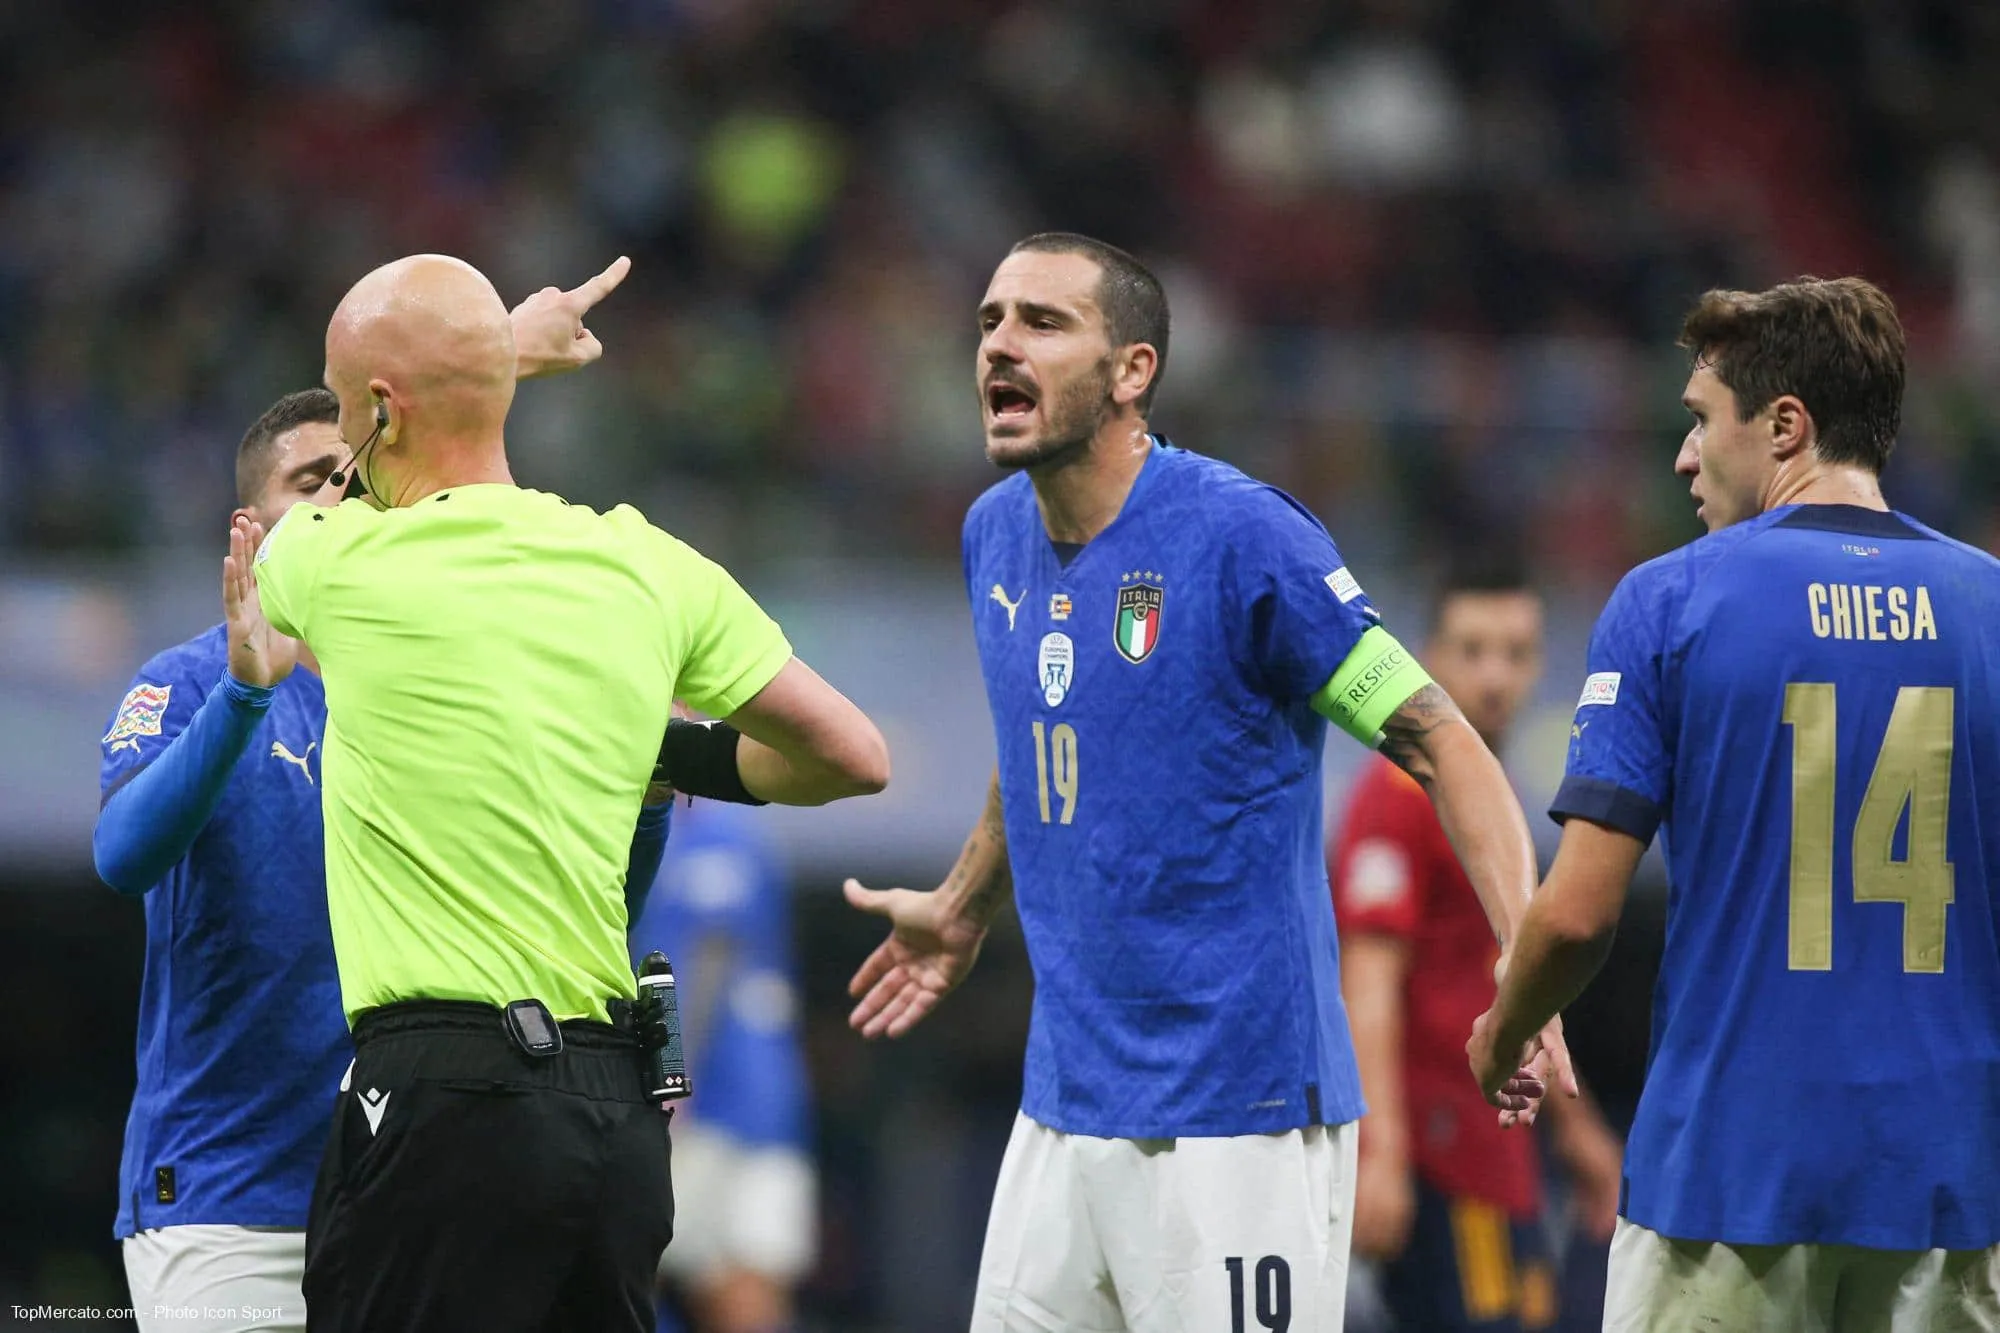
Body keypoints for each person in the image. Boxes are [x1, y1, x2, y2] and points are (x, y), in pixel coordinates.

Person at [841, 232, 1570, 1333]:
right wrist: (961, 903)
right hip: (1064, 1104)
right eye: (989, 318)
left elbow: (1442, 741)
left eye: (1042, 321)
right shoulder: (993, 534)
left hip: (1241, 1114)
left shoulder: (1243, 538)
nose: (998, 342)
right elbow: (1045, 726)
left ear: (1132, 371)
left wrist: (1525, 951)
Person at [239, 252, 888, 1333]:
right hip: (613, 1120)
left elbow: (314, 498)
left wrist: (506, 356)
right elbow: (850, 754)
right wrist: (661, 754)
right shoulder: (647, 565)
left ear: (377, 414)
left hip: (442, 1102)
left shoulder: (333, 559)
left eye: (348, 402)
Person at [94, 262, 649, 1333]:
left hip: (423, 1183)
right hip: (233, 1197)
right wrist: (248, 701)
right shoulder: (192, 679)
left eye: (352, 478)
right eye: (308, 485)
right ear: (248, 530)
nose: (338, 499)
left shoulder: (444, 686)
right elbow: (122, 855)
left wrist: (650, 791)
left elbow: (598, 911)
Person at [1467, 277, 2000, 1331]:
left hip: (1727, 1171)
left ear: (1784, 426)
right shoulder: (1989, 607)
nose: (1681, 457)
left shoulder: (1670, 599)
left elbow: (1577, 914)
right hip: (1947, 1180)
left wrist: (1503, 1028)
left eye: (1700, 421)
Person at [1331, 557, 1624, 1333]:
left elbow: (1517, 990)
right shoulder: (1393, 800)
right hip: (1440, 1160)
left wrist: (1575, 1125)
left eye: (1516, 652)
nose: (1495, 675)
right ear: (1426, 658)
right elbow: (1367, 982)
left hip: (1500, 1158)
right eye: (1472, 648)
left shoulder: (1502, 801)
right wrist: (1380, 1155)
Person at [630, 799, 817, 1333]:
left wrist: (672, 1076)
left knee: (713, 1282)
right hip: (750, 1097)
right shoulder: (736, 830)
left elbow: (705, 958)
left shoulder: (717, 836)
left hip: (716, 1099)